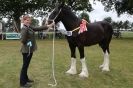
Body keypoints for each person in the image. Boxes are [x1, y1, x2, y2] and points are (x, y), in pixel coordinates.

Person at [20, 15, 54, 87]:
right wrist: (29, 43)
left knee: (26, 65)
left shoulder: (29, 27)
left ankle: (26, 79)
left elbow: (38, 28)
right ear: (23, 21)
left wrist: (48, 25)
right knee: (25, 66)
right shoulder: (24, 28)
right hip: (26, 50)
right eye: (27, 20)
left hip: (30, 50)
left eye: (29, 20)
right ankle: (22, 83)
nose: (28, 21)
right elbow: (23, 40)